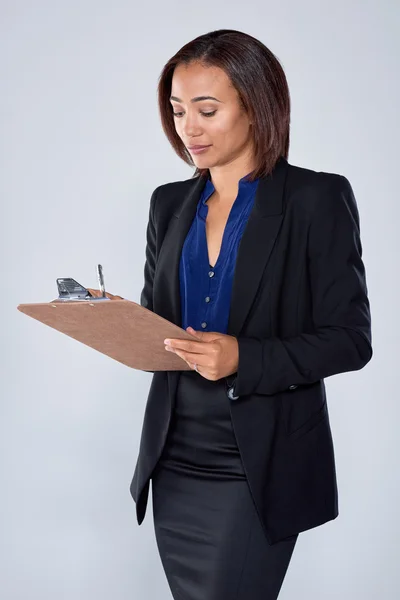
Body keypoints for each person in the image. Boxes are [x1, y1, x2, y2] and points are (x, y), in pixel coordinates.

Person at [127, 29, 373, 600]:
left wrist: (244, 356)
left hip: (256, 465)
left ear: (257, 106)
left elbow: (351, 340)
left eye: (207, 110)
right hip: (174, 457)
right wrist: (112, 324)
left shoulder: (317, 199)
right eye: (178, 110)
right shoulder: (169, 204)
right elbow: (154, 318)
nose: (189, 128)